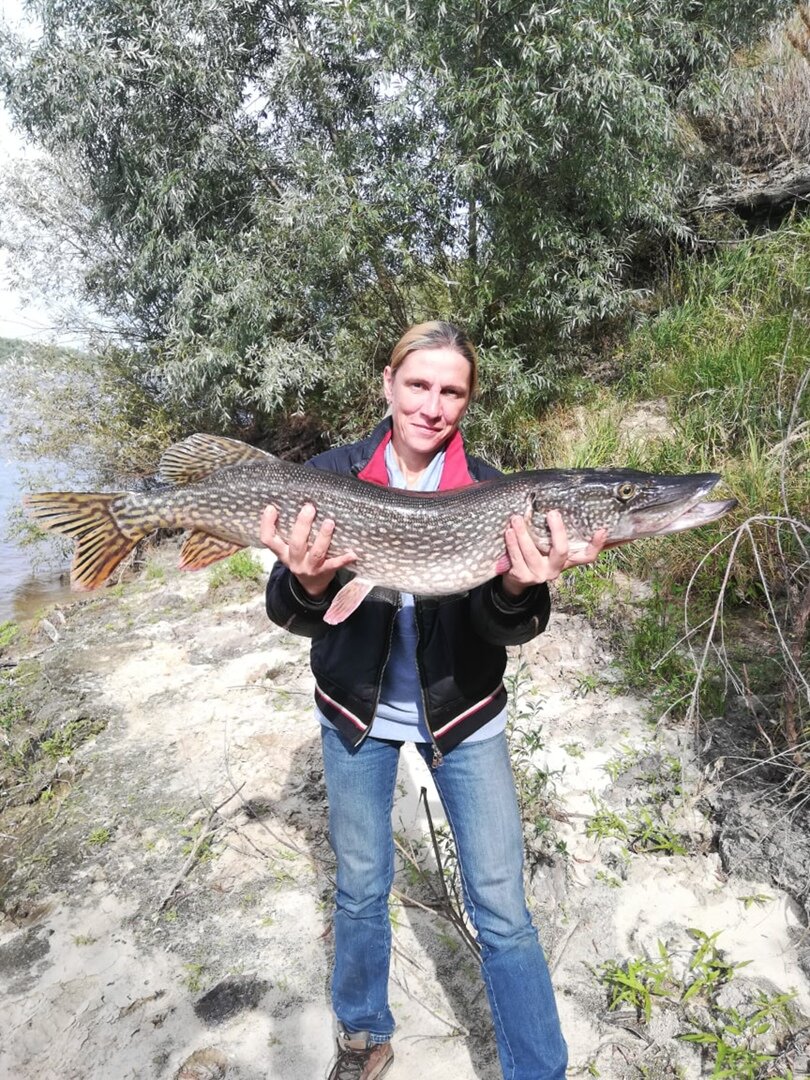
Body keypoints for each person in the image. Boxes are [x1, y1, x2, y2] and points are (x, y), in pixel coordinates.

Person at [261, 321, 607, 1080]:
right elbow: (287, 611)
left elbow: (504, 627)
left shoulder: (493, 492)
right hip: (356, 714)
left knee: (503, 908)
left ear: (468, 401)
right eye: (418, 384)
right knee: (360, 888)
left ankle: (538, 1070)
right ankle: (363, 1036)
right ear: (388, 384)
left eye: (451, 391)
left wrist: (516, 585)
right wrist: (309, 582)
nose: (432, 405)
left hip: (464, 715)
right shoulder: (328, 474)